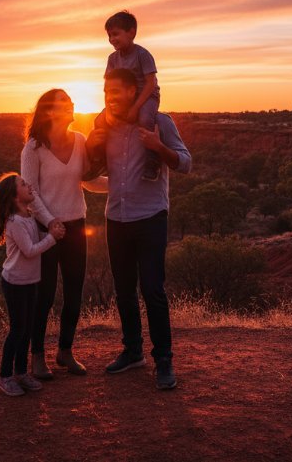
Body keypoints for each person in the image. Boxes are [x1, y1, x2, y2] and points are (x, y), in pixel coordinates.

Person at [87, 67, 191, 390]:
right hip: (116, 218)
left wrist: (158, 147)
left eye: (116, 92)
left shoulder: (160, 122)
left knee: (153, 290)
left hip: (150, 217)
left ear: (134, 92)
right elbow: (89, 168)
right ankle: (133, 352)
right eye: (106, 93)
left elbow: (186, 162)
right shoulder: (104, 124)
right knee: (124, 291)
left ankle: (164, 360)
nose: (110, 98)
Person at [21, 89, 107, 379]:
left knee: (74, 292)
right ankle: (37, 357)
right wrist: (51, 222)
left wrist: (122, 184)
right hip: (45, 229)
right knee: (44, 296)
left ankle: (65, 351)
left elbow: (88, 181)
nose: (71, 107)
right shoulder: (33, 148)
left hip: (76, 226)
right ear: (49, 112)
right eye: (64, 105)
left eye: (71, 103)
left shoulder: (80, 141)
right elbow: (30, 195)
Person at [0, 172, 65, 396]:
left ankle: (20, 372)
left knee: (27, 328)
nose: (29, 186)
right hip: (15, 282)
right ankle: (4, 376)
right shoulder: (14, 222)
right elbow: (30, 250)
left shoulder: (28, 216)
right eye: (23, 184)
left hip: (30, 281)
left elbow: (37, 242)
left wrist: (51, 232)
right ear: (14, 196)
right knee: (18, 329)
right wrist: (52, 238)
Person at [85, 10, 162, 181]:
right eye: (109, 36)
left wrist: (135, 107)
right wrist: (110, 112)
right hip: (123, 98)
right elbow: (108, 88)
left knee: (144, 119)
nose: (112, 39)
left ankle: (152, 163)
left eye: (116, 34)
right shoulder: (113, 59)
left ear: (131, 32)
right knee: (100, 120)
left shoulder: (142, 55)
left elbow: (151, 83)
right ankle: (99, 161)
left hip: (146, 96)